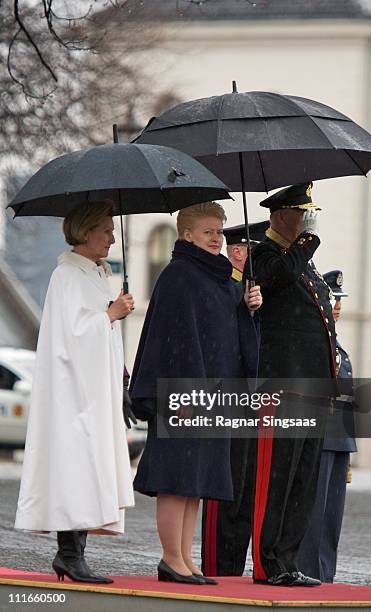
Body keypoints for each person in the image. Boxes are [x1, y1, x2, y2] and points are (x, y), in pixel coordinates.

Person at [129, 202, 262, 585]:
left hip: (213, 396)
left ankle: (185, 558)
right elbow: (173, 341)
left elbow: (232, 339)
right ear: (187, 235)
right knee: (176, 479)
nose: (218, 238)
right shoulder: (180, 275)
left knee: (195, 482)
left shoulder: (220, 279)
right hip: (184, 397)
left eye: (219, 231)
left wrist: (248, 308)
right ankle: (172, 558)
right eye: (209, 232)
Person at [15, 200, 135, 584]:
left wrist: (120, 374)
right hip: (73, 396)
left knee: (89, 466)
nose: (112, 239)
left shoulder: (96, 274)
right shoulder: (66, 276)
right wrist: (109, 316)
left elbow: (96, 333)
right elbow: (71, 338)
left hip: (94, 394)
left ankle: (74, 553)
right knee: (76, 468)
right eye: (106, 230)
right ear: (84, 232)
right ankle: (69, 554)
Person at [249, 182, 337, 587]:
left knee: (303, 479)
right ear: (283, 214)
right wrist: (306, 243)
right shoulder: (264, 254)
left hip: (312, 389)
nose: (307, 221)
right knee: (278, 478)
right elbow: (281, 277)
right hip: (284, 387)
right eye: (302, 214)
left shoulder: (302, 260)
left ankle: (288, 558)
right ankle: (268, 562)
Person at [201, 220, 268, 576]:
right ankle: (217, 564)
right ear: (239, 251)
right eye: (255, 250)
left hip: (250, 395)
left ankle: (232, 565)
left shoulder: (251, 288)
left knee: (244, 485)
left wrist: (255, 308)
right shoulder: (222, 283)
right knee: (224, 484)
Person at [297, 270, 357, 583]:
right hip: (317, 435)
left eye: (339, 300)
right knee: (312, 514)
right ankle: (308, 571)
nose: (337, 307)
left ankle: (325, 573)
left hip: (338, 439)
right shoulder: (314, 342)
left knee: (330, 518)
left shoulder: (336, 343)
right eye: (332, 299)